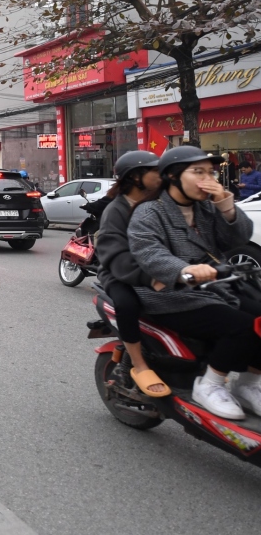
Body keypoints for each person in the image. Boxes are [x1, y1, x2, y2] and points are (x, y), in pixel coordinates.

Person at [128, 145, 261, 419]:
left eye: (211, 172)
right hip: (170, 294)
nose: (207, 178)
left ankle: (249, 383)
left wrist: (225, 204)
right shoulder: (150, 212)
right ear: (173, 176)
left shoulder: (205, 209)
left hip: (214, 289)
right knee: (241, 328)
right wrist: (185, 269)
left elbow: (236, 239)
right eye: (197, 171)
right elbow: (150, 255)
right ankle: (210, 384)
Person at [93, 151, 168, 397]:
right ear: (135, 177)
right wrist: (150, 277)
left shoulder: (160, 204)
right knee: (127, 304)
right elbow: (115, 255)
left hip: (156, 268)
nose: (161, 176)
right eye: (154, 171)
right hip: (119, 272)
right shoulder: (116, 210)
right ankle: (139, 363)